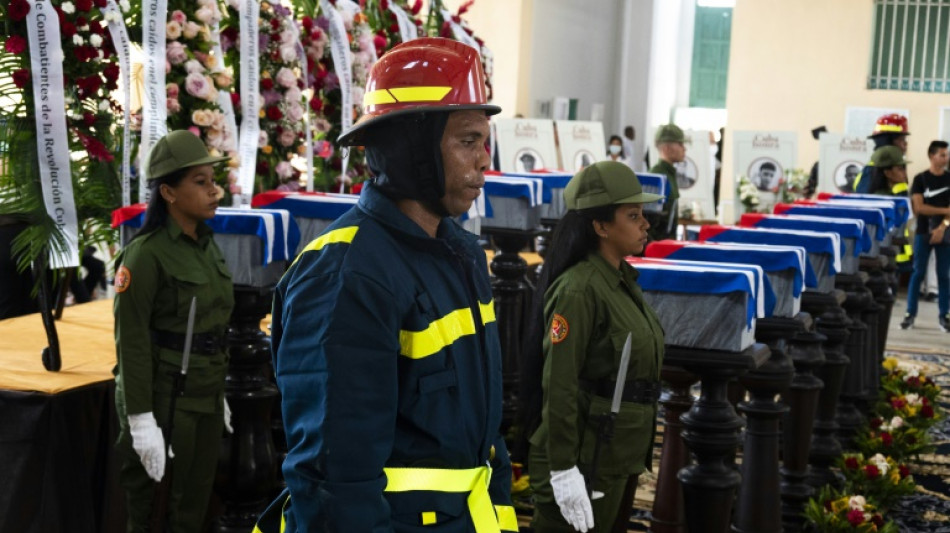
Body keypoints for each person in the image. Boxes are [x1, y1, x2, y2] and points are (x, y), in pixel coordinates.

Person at [254, 37, 516, 533]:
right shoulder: (345, 274)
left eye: (485, 141)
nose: (484, 160)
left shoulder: (462, 255)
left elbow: (484, 442)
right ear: (410, 147)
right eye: (467, 141)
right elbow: (335, 484)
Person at [524, 161, 665, 533]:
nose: (645, 224)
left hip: (614, 451)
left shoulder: (618, 279)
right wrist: (563, 467)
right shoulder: (579, 289)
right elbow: (561, 384)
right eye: (633, 215)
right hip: (585, 455)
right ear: (600, 226)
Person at [113, 130, 234, 532]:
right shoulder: (144, 255)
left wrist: (219, 394)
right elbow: (130, 340)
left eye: (213, 181)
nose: (214, 191)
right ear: (167, 192)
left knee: (193, 510)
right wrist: (140, 419)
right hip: (167, 400)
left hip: (205, 394)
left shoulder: (207, 246)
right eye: (200, 183)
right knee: (154, 514)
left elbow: (213, 324)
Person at [900, 140, 950, 332]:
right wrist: (945, 210)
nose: (946, 158)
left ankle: (944, 315)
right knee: (917, 272)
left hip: (944, 233)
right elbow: (919, 207)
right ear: (931, 156)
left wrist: (941, 227)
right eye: (942, 155)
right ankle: (910, 314)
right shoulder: (921, 179)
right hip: (923, 232)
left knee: (943, 275)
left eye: (946, 155)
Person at [853, 113, 910, 193]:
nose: (905, 144)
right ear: (887, 142)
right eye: (902, 139)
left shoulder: (891, 168)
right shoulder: (872, 172)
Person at [647, 124, 685, 241]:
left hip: (667, 243)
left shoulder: (669, 174)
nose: (684, 148)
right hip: (658, 246)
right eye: (680, 144)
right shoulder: (656, 176)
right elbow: (648, 221)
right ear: (667, 148)